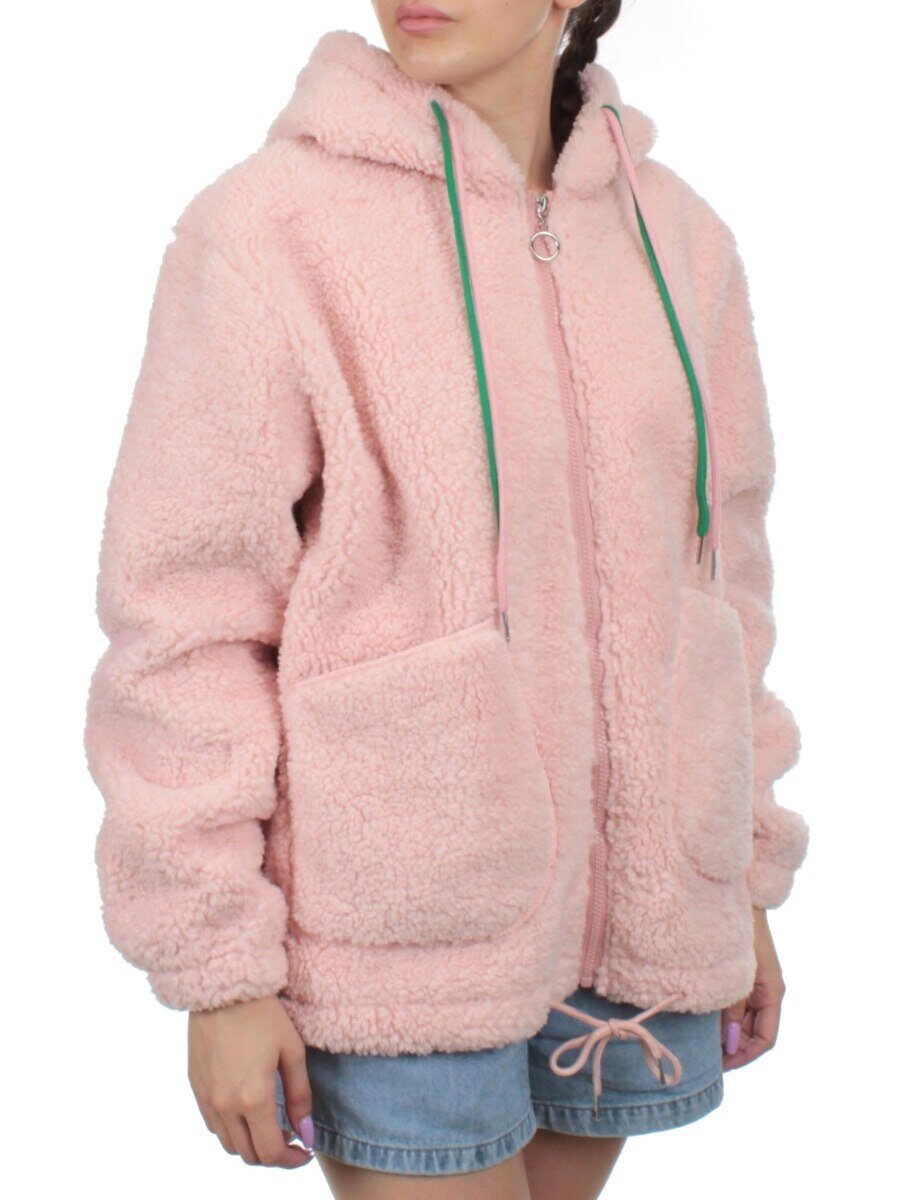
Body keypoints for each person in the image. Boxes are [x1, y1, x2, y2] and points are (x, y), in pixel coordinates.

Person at [83, 3, 810, 1197]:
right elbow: (184, 620)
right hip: (396, 929)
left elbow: (725, 583)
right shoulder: (271, 230)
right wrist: (217, 967)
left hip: (636, 929)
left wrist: (734, 880)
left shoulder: (680, 240)